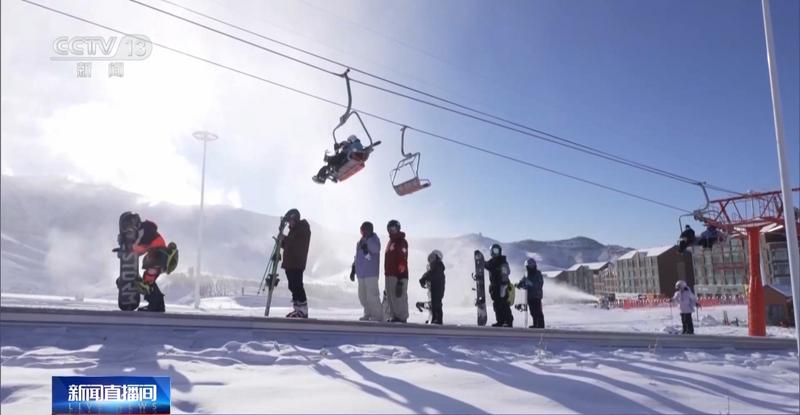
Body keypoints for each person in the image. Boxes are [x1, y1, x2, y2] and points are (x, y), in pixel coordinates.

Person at [119, 212, 178, 312]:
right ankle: (158, 305)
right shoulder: (145, 231)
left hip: (159, 256)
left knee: (147, 282)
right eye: (125, 227)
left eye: (128, 226)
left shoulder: (144, 230)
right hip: (159, 257)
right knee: (149, 282)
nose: (128, 229)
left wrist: (128, 247)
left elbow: (139, 246)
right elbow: (143, 247)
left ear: (134, 223)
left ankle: (155, 306)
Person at [280, 208, 312, 318]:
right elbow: (289, 245)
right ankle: (297, 309)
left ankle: (303, 310)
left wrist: (284, 239)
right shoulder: (294, 230)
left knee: (297, 285)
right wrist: (282, 242)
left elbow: (296, 243)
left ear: (295, 219)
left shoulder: (303, 228)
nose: (289, 223)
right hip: (291, 263)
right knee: (292, 286)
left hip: (296, 263)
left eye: (290, 221)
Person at [351, 221, 383, 321]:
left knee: (372, 296)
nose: (362, 232)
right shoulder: (360, 242)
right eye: (361, 230)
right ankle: (368, 313)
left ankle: (378, 316)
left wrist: (367, 245)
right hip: (361, 273)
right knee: (363, 296)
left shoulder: (374, 240)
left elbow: (375, 250)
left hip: (371, 273)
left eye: (364, 230)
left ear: (369, 230)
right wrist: (353, 269)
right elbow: (357, 256)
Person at [384, 219, 409, 323]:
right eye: (389, 229)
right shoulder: (391, 242)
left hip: (398, 275)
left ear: (398, 228)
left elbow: (402, 260)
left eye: (393, 228)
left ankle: (401, 317)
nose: (391, 231)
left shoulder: (401, 241)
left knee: (399, 297)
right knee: (391, 297)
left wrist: (400, 279)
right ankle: (394, 316)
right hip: (390, 274)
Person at [485, 243, 513, 327]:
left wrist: (504, 284)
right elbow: (487, 265)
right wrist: (481, 262)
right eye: (494, 251)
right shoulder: (492, 262)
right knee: (497, 304)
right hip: (494, 286)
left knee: (503, 303)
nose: (495, 253)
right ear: (491, 252)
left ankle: (508, 321)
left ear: (500, 251)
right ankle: (500, 321)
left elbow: (506, 272)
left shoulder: (502, 261)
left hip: (501, 286)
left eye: (497, 251)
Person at [419, 249, 446, 325]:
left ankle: (436, 319)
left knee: (436, 303)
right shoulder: (436, 267)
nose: (430, 261)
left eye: (432, 258)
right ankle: (434, 319)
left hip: (437, 290)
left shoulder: (438, 267)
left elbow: (432, 274)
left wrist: (424, 279)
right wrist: (424, 279)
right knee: (434, 303)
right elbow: (430, 273)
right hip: (435, 290)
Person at [516, 258, 544, 328]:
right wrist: (519, 284)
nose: (528, 269)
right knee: (532, 311)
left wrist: (527, 284)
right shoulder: (527, 274)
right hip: (529, 296)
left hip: (536, 296)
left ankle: (540, 325)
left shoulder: (538, 274)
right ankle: (535, 324)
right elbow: (523, 280)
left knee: (537, 311)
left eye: (528, 267)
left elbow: (538, 285)